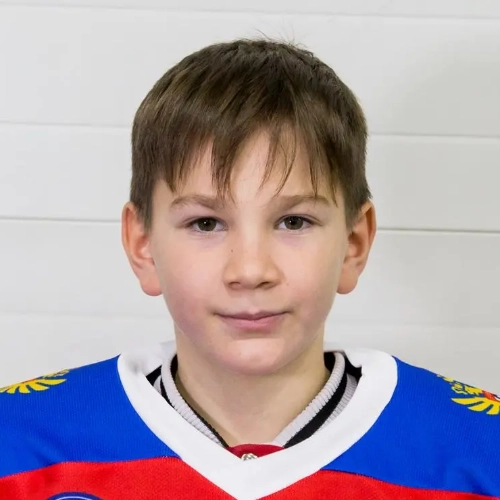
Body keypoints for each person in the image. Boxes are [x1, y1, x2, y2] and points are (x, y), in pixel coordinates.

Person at [0, 38, 499, 500]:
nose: (251, 269)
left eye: (293, 221)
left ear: (353, 243)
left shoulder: (480, 451)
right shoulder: (18, 445)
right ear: (143, 245)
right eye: (206, 223)